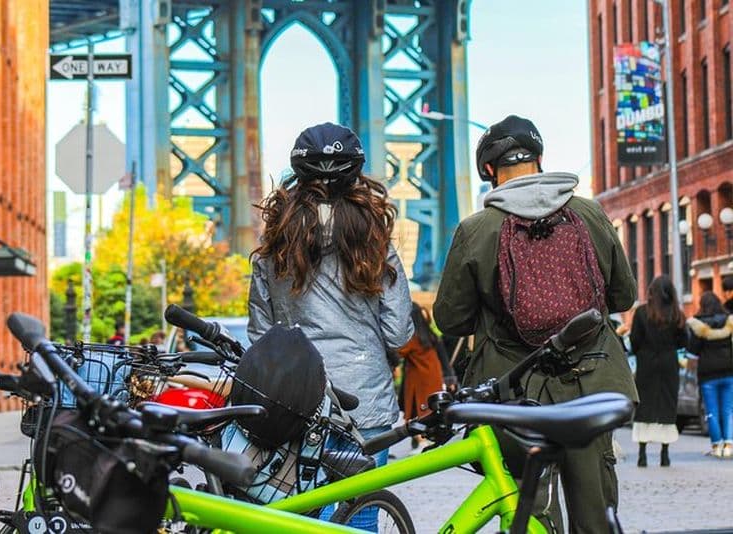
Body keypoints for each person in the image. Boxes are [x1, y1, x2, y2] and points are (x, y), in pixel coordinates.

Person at [434, 115, 637, 533]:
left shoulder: (477, 229)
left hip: (516, 390)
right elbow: (623, 297)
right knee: (595, 510)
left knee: (531, 508)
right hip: (591, 383)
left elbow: (450, 318)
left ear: (488, 169)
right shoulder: (588, 213)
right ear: (539, 159)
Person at [248, 122, 413, 530]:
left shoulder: (273, 248)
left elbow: (261, 337)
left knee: (305, 516)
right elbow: (398, 333)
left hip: (298, 399)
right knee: (361, 514)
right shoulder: (375, 244)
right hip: (365, 399)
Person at [629, 276, 686, 467]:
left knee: (645, 404)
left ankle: (642, 454)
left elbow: (634, 340)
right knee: (667, 404)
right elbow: (683, 341)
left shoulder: (641, 312)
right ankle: (664, 454)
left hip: (646, 362)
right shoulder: (676, 314)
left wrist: (641, 351)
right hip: (669, 362)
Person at [686, 291, 733, 458]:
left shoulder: (698, 325)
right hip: (729, 371)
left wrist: (690, 370)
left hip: (708, 374)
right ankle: (729, 446)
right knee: (728, 410)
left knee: (712, 411)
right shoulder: (729, 322)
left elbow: (692, 354)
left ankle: (716, 446)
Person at [397, 303, 446, 450]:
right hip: (433, 377)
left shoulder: (412, 338)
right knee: (429, 410)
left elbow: (398, 351)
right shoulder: (429, 335)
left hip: (418, 380)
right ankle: (430, 440)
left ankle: (421, 442)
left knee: (418, 411)